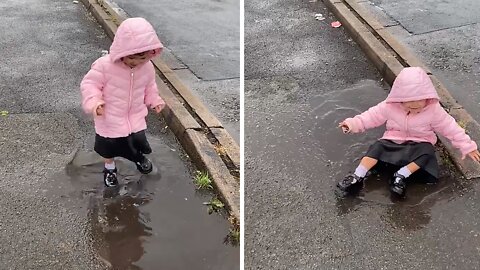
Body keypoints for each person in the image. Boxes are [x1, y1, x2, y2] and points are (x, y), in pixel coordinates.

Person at [336, 67, 480, 197]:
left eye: (418, 108)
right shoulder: (390, 106)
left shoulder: (434, 110)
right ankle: (357, 176)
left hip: (420, 143)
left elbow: (450, 127)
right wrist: (352, 124)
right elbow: (370, 116)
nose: (414, 111)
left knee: (427, 152)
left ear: (427, 99)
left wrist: (467, 146)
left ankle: (401, 175)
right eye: (409, 108)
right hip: (393, 139)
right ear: (400, 100)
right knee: (376, 148)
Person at [81, 18, 165, 187]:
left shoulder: (147, 67)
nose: (136, 63)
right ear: (122, 51)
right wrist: (94, 101)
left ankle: (138, 157)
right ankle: (110, 168)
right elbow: (89, 84)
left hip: (135, 116)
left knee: (136, 141)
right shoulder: (104, 66)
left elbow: (150, 86)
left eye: (142, 59)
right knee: (108, 147)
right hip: (110, 117)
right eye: (132, 59)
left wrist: (154, 99)